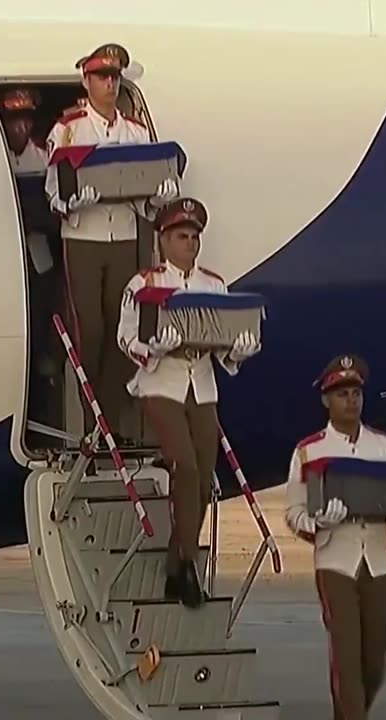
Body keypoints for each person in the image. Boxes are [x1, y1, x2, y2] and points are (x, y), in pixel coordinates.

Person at [116, 197, 260, 608]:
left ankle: (178, 563)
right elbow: (125, 336)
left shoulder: (213, 285)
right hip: (161, 381)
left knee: (202, 476)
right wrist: (153, 348)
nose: (191, 244)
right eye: (182, 236)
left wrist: (237, 351)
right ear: (162, 240)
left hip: (201, 382)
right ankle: (188, 564)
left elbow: (222, 340)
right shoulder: (144, 284)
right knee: (184, 465)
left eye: (195, 236)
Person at [282, 354, 386, 720]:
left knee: (376, 658)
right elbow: (293, 513)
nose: (350, 400)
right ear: (326, 400)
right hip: (336, 561)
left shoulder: (385, 448)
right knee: (346, 657)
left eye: (355, 392)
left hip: (377, 562)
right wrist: (318, 522)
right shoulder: (309, 451)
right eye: (341, 393)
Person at [46, 42, 179, 442]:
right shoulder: (68, 128)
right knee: (91, 329)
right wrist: (70, 200)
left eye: (115, 76)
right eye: (102, 76)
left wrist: (158, 195)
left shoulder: (134, 132)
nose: (109, 83)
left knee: (124, 330)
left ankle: (110, 422)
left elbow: (146, 189)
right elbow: (53, 192)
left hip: (122, 233)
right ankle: (90, 423)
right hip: (83, 235)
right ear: (86, 80)